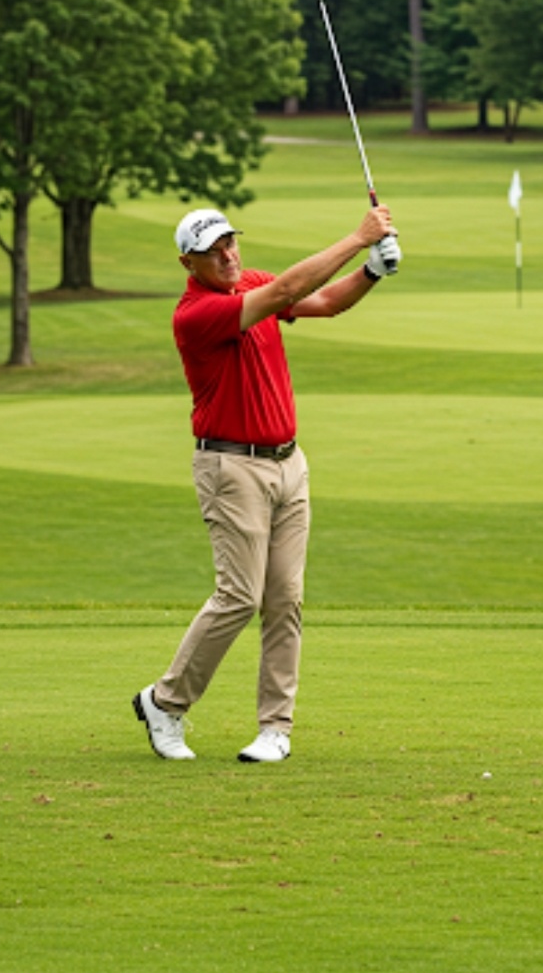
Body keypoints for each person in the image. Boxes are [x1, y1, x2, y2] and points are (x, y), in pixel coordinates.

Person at [133, 202, 397, 763]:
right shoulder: (196, 314)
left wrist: (371, 271)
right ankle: (164, 702)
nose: (227, 256)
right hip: (232, 468)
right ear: (188, 263)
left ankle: (275, 728)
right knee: (239, 596)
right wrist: (358, 238)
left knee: (285, 599)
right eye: (212, 252)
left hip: (288, 464)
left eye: (230, 242)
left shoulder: (250, 282)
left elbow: (325, 302)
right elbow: (286, 292)